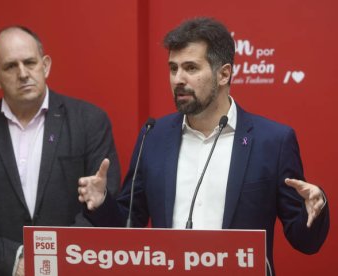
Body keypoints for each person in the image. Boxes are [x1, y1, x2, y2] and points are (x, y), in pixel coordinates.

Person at [78, 17, 329, 275]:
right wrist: (101, 203)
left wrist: (316, 211)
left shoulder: (272, 141)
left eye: (191, 68)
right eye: (173, 68)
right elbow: (129, 225)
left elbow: (305, 242)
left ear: (224, 74)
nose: (178, 79)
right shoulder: (154, 135)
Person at [0, 26, 120, 276]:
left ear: (45, 65)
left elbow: (105, 201)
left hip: (73, 269)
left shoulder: (89, 122)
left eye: (29, 62)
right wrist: (16, 263)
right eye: (10, 66)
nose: (23, 73)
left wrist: (58, 260)